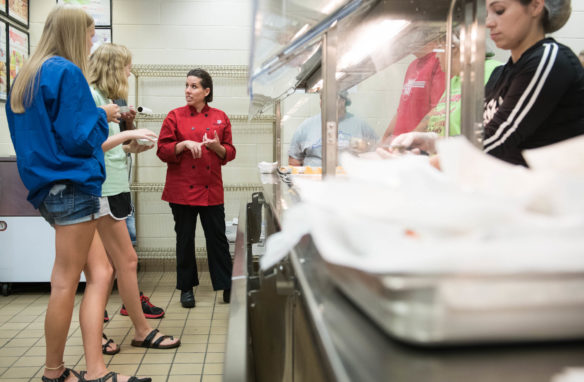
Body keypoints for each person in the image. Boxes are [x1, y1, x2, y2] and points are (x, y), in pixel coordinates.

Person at [6, 5, 150, 382]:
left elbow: (42, 133)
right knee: (70, 282)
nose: (92, 42)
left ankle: (79, 369)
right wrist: (103, 116)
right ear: (74, 34)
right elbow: (81, 138)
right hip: (74, 185)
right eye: (90, 35)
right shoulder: (67, 72)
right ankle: (65, 372)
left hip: (45, 188)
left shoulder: (24, 75)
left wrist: (94, 112)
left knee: (93, 273)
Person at [391, 0, 584, 167]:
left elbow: (500, 139)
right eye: (486, 13)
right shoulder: (500, 75)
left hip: (551, 200)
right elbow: (482, 137)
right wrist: (433, 143)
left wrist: (426, 165)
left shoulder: (549, 59)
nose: (489, 23)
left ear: (535, 6)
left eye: (499, 10)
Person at [88, 43, 180, 354]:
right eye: (126, 65)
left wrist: (131, 148)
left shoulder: (110, 101)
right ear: (113, 66)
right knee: (102, 270)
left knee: (125, 262)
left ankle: (141, 330)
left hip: (114, 188)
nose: (129, 71)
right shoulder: (92, 98)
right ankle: (99, 334)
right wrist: (130, 135)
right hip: (97, 191)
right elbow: (89, 147)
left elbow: (110, 147)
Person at [157, 68, 236, 308]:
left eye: (193, 86)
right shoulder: (175, 116)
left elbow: (230, 152)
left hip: (212, 189)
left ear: (206, 91)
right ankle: (186, 288)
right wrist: (182, 144)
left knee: (217, 239)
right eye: (187, 85)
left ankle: (226, 285)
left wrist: (216, 147)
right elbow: (162, 150)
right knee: (185, 239)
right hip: (181, 190)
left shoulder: (221, 116)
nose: (188, 91)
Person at [379, 40, 446, 144]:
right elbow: (401, 109)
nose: (406, 44)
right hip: (402, 143)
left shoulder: (439, 62)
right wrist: (385, 137)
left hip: (418, 145)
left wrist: (413, 137)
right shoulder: (412, 65)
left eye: (411, 39)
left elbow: (438, 109)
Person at [288, 92, 378, 166]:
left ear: (343, 101)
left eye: (329, 98)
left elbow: (376, 152)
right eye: (322, 98)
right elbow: (294, 159)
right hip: (314, 182)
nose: (323, 101)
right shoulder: (306, 126)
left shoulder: (360, 125)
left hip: (349, 182)